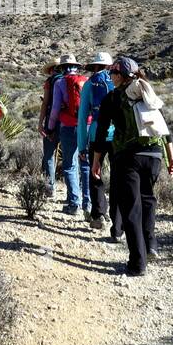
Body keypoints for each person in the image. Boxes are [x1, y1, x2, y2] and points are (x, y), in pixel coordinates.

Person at [92, 56, 173, 276]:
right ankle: (151, 245)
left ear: (120, 75)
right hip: (154, 155)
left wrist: (96, 160)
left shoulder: (112, 98)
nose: (110, 77)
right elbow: (163, 126)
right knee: (148, 199)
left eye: (113, 73)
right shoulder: (147, 91)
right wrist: (171, 155)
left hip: (128, 157)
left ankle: (137, 263)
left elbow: (102, 132)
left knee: (131, 207)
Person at [76, 51, 116, 235]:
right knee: (118, 176)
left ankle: (99, 214)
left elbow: (83, 117)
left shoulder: (90, 84)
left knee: (95, 173)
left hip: (96, 134)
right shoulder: (117, 81)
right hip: (118, 135)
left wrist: (82, 144)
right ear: (108, 65)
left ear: (93, 66)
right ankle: (117, 218)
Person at [47, 54, 88, 216]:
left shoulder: (59, 82)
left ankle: (73, 204)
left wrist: (50, 128)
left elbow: (55, 109)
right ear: (76, 67)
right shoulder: (86, 81)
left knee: (70, 165)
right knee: (86, 165)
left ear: (62, 68)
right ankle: (88, 203)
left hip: (68, 127)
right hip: (87, 126)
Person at [38, 60, 64, 192]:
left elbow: (45, 103)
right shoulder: (69, 80)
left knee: (48, 154)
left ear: (51, 69)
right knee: (71, 159)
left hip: (52, 122)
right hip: (69, 122)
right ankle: (74, 196)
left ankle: (50, 188)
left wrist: (40, 123)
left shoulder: (50, 81)